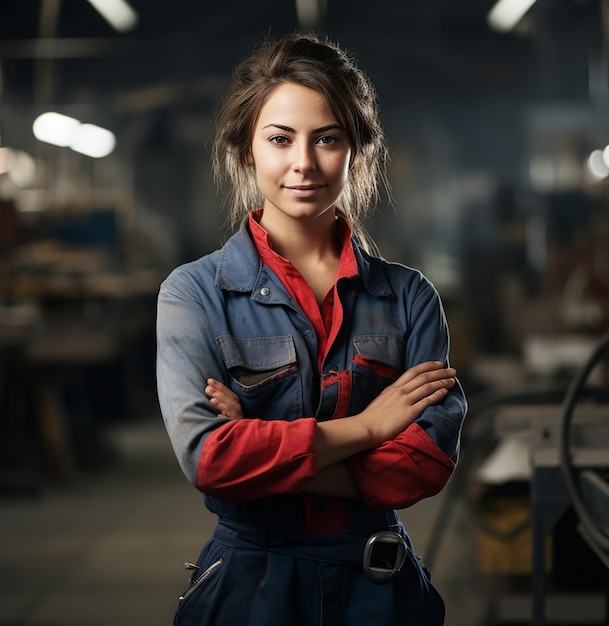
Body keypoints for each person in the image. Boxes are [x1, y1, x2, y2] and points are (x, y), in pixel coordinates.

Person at [156, 32, 467, 626]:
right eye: (280, 139)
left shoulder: (409, 297)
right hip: (249, 584)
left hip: (378, 587)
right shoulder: (194, 294)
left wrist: (264, 447)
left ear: (356, 151)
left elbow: (425, 461)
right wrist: (370, 427)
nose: (304, 162)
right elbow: (211, 460)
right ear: (247, 150)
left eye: (328, 139)